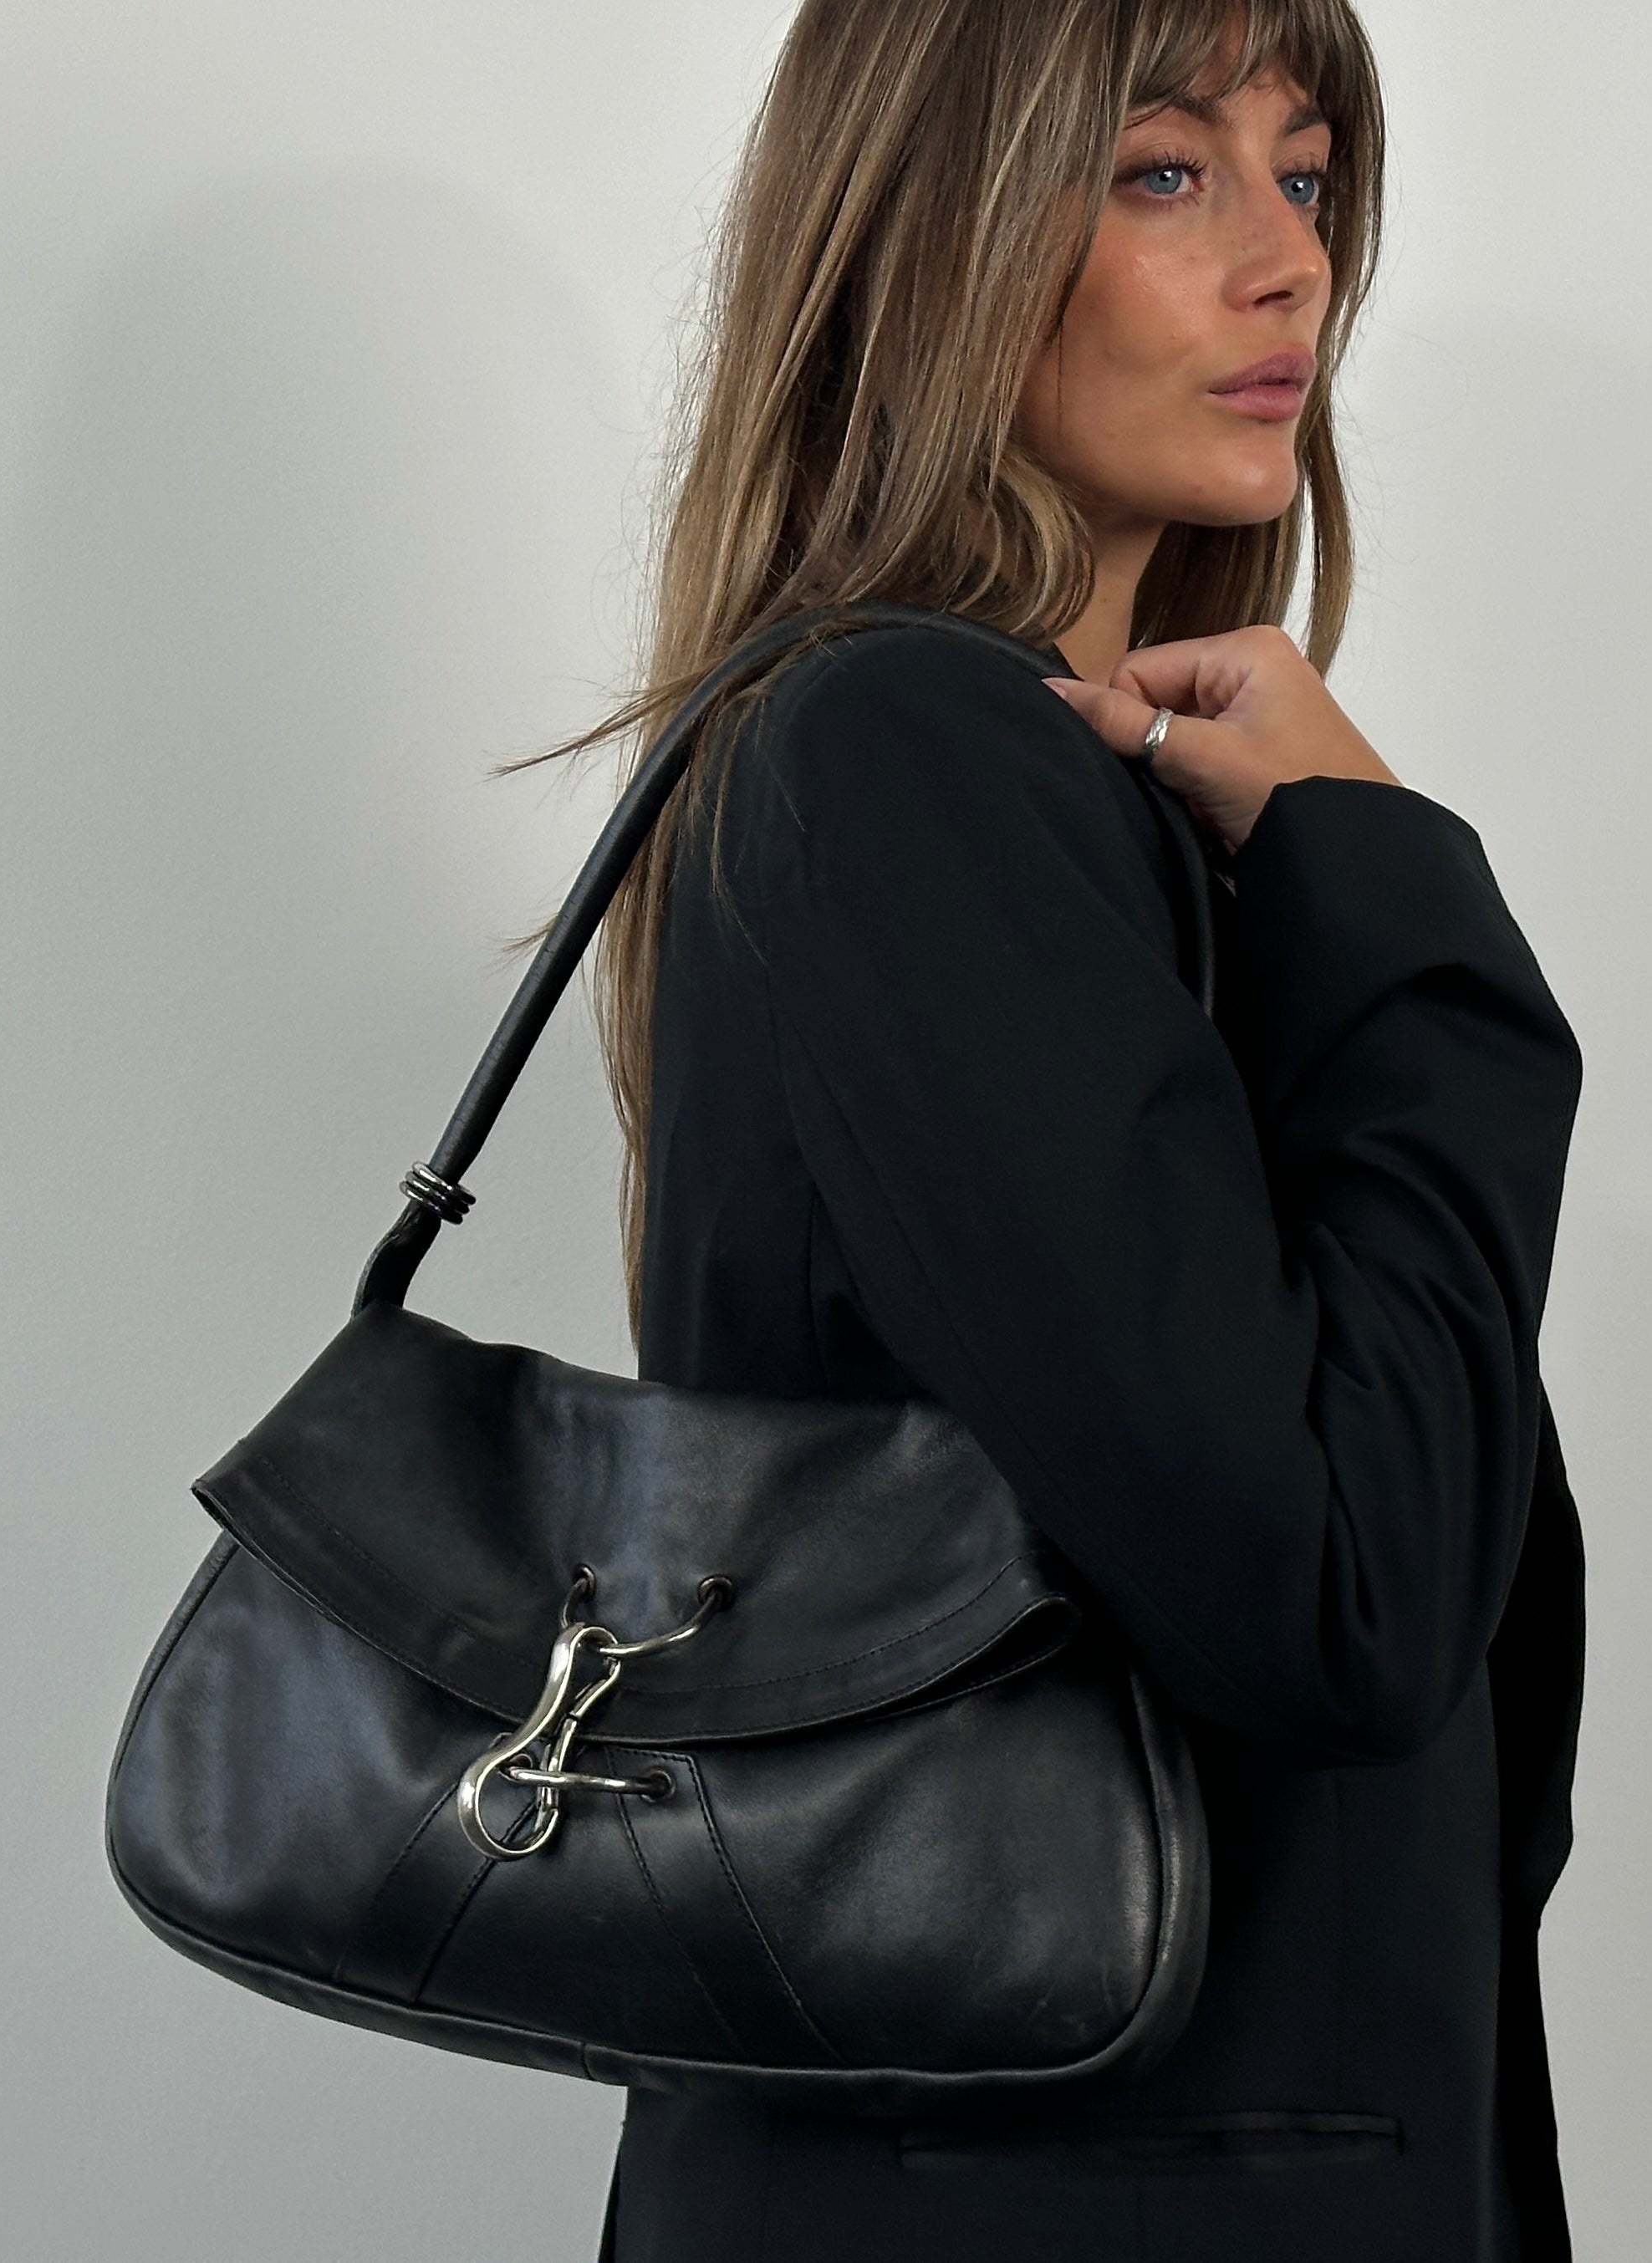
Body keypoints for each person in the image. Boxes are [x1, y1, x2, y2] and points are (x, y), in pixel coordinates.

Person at [533, 3, 1587, 2256]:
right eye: (1162, 172)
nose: (1291, 261)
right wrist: (1406, 903)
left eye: (1307, 175)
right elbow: (1347, 1596)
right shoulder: (909, 757)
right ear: (933, 239)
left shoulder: (1078, 812)